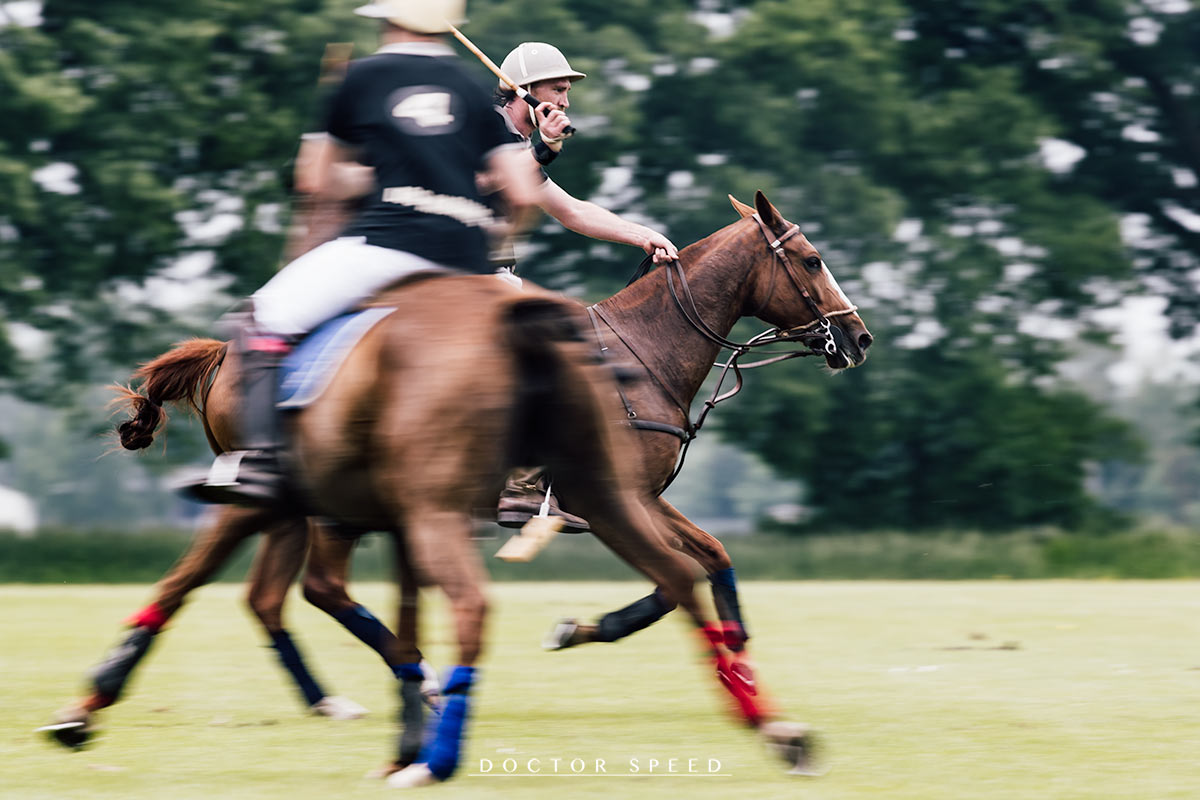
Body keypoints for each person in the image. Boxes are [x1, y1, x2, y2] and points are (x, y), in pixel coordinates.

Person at [181, 0, 540, 506]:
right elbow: (522, 193)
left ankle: (261, 462)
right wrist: (492, 242)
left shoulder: (360, 77)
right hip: (468, 257)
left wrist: (379, 175)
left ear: (388, 19)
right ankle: (531, 477)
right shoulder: (468, 86)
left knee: (260, 319)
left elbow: (314, 179)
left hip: (388, 244)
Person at [485, 42, 679, 532]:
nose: (566, 102)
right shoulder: (486, 130)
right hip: (460, 272)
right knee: (561, 336)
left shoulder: (517, 145)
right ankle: (522, 486)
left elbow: (571, 210)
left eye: (567, 92)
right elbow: (491, 185)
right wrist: (543, 148)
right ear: (526, 93)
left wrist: (642, 234)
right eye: (558, 89)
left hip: (491, 276)